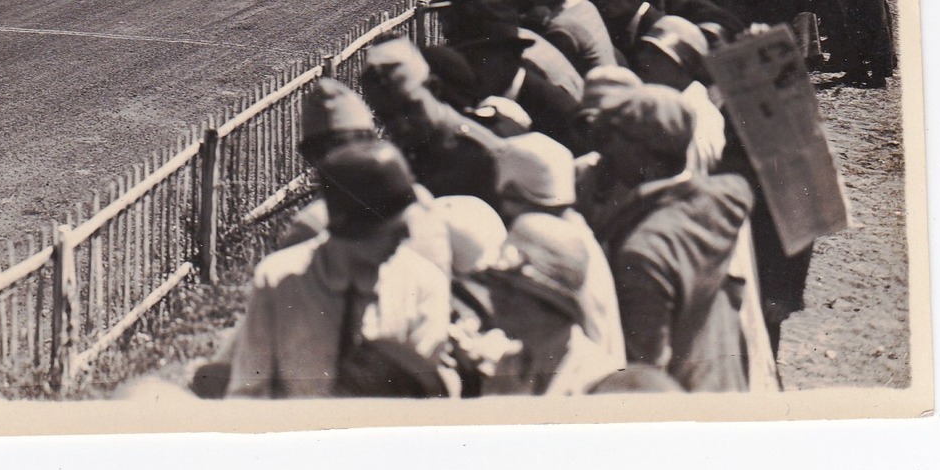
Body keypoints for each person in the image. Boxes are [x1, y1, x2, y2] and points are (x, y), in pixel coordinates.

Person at [228, 140, 453, 398]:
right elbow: (249, 392)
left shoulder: (423, 284)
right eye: (393, 231)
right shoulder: (280, 280)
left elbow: (425, 397)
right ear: (351, 230)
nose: (406, 237)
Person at [583, 86, 754, 392]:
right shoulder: (722, 200)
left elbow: (646, 374)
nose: (602, 150)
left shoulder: (643, 253)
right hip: (725, 386)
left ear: (641, 151)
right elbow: (738, 186)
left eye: (611, 138)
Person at [478, 212, 623, 396]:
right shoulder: (507, 367)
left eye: (511, 289)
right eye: (497, 284)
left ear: (550, 302)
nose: (496, 297)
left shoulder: (597, 378)